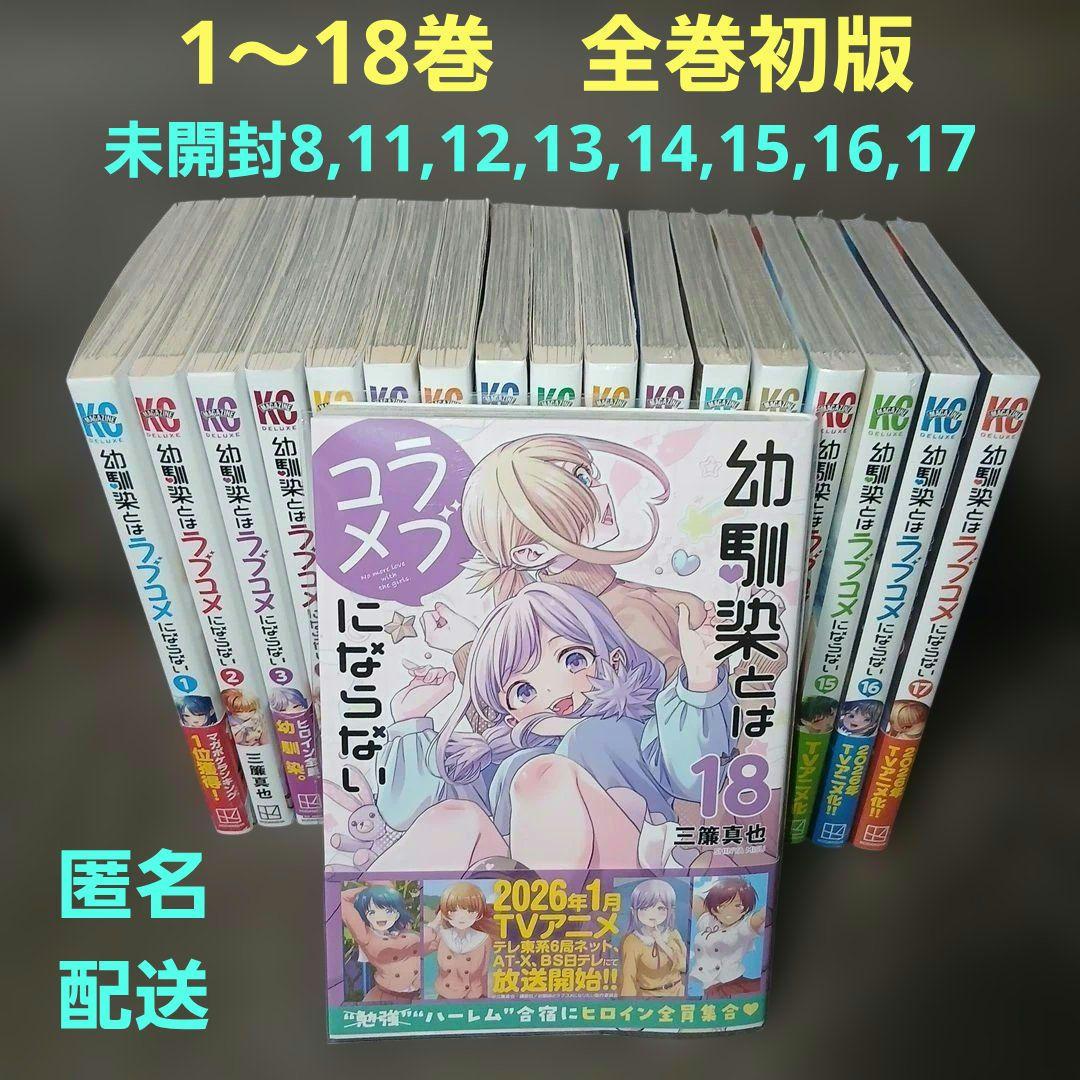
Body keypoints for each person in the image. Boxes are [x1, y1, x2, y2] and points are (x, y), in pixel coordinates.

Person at [370, 582, 734, 876]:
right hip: (520, 878)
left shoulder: (631, 732)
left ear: (614, 660)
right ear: (510, 715)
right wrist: (410, 721)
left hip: (623, 866)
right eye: (523, 690)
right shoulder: (505, 763)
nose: (552, 691)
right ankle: (377, 915)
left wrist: (701, 681)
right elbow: (407, 814)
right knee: (456, 817)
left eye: (573, 660)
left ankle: (538, 909)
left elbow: (695, 777)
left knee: (544, 775)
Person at [339, 884, 421, 1004]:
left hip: (418, 997)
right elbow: (343, 898)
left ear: (397, 913)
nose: (380, 917)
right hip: (388, 997)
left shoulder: (403, 927)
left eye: (388, 911)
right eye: (372, 912)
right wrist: (368, 890)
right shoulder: (366, 935)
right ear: (365, 915)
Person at [690, 879, 766, 998]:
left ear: (745, 909)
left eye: (736, 905)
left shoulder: (741, 928)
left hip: (732, 983)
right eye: (722, 905)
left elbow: (759, 917)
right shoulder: (708, 921)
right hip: (711, 986)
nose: (728, 911)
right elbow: (694, 900)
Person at [424, 883, 497, 999]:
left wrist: (484, 1000)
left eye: (469, 910)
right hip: (445, 998)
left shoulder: (484, 939)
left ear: (478, 914)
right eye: (453, 910)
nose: (462, 916)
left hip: (474, 999)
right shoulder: (441, 936)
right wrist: (435, 923)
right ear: (445, 912)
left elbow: (483, 974)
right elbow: (420, 949)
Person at [619, 880, 687, 997]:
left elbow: (683, 966)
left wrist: (661, 943)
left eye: (660, 908)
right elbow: (629, 979)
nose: (653, 914)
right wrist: (628, 1005)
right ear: (634, 911)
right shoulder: (632, 941)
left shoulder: (672, 934)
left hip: (678, 993)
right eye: (645, 908)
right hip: (649, 998)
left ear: (669, 910)